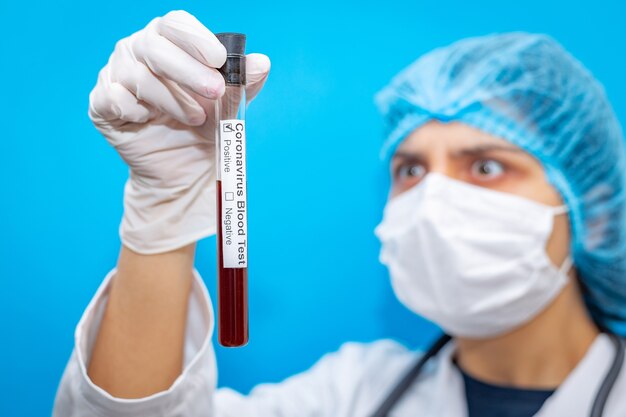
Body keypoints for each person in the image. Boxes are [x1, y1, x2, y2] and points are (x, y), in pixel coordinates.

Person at [53, 9, 626, 417]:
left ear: (595, 214)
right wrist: (164, 208)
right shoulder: (352, 393)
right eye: (410, 170)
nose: (433, 201)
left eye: (485, 167)